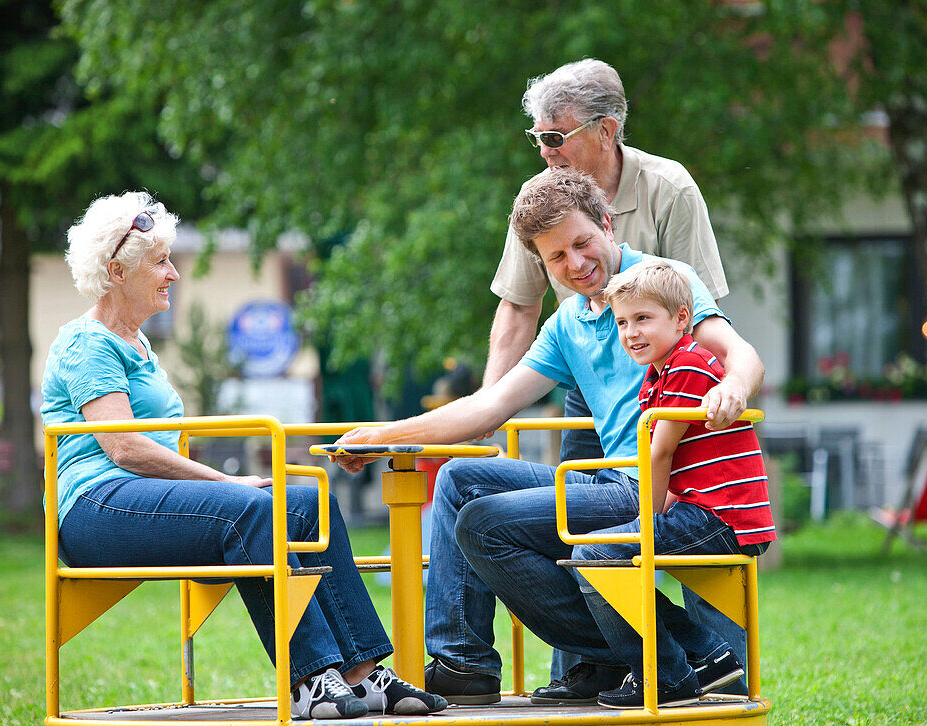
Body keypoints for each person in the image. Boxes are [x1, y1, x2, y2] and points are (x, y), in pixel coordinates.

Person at [330, 170, 764, 706]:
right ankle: (463, 660)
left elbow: (738, 352)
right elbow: (488, 409)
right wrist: (382, 435)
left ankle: (681, 650)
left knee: (485, 526)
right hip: (612, 480)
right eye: (557, 257)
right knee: (461, 479)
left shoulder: (659, 282)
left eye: (582, 244)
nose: (576, 265)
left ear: (607, 223)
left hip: (657, 484)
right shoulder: (567, 323)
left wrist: (735, 389)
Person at [40, 191, 447, 720]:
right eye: (161, 262)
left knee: (307, 505)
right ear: (118, 270)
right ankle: (309, 680)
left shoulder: (138, 344)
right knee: (251, 509)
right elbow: (124, 446)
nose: (174, 274)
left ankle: (361, 673)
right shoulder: (86, 343)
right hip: (94, 509)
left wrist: (222, 486)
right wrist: (223, 483)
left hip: (140, 499)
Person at [485, 59, 738, 684]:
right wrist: (488, 409)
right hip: (593, 394)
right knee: (569, 526)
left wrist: (698, 404)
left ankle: (721, 666)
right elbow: (518, 309)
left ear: (607, 129)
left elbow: (699, 308)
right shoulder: (547, 204)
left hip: (669, 392)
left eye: (555, 136)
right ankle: (595, 666)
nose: (544, 152)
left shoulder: (668, 188)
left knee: (675, 523)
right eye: (537, 138)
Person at [565, 260, 776, 709]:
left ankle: (667, 675)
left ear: (682, 318)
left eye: (643, 318)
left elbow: (659, 453)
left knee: (597, 555)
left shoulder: (688, 365)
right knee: (598, 554)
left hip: (724, 519)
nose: (631, 333)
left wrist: (645, 521)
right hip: (702, 511)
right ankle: (705, 655)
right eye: (622, 322)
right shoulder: (656, 375)